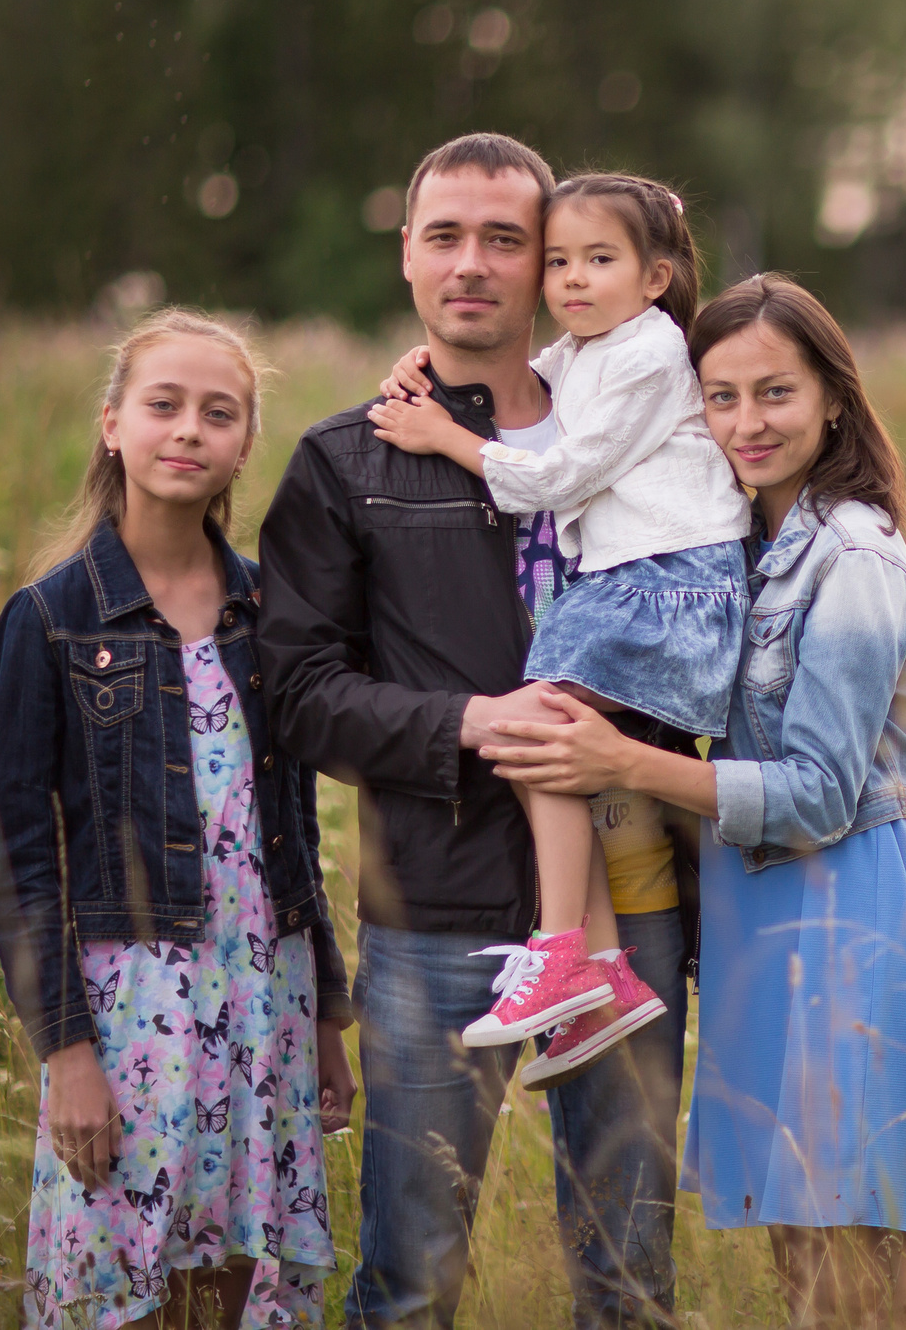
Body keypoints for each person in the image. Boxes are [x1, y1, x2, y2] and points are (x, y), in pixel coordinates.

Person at [255, 134, 693, 1328]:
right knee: (408, 1284)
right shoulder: (350, 462)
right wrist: (468, 721)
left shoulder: (640, 415)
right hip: (433, 914)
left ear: (550, 264)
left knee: (628, 1283)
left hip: (627, 905)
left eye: (507, 240)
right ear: (406, 255)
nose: (474, 265)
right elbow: (295, 694)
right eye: (445, 235)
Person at [482, 273, 906, 1330]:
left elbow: (819, 796)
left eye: (775, 394)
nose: (747, 424)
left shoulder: (852, 561)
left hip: (853, 902)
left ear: (832, 399)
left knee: (873, 1273)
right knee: (803, 1261)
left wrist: (620, 761)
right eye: (721, 396)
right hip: (763, 906)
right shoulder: (738, 549)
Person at [0, 309, 354, 1328]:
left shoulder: (269, 615)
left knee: (236, 1273)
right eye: (163, 405)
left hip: (264, 995)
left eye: (218, 413)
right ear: (113, 425)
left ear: (242, 443)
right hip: (126, 1012)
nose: (188, 429)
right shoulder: (52, 618)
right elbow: (17, 856)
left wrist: (325, 1013)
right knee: (125, 1282)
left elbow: (296, 825)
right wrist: (66, 1058)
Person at [366, 172, 749, 1088]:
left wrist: (446, 440)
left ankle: (561, 944)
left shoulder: (653, 353)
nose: (573, 280)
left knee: (533, 722)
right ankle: (602, 975)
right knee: (543, 728)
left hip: (673, 586)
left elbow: (554, 475)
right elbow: (515, 408)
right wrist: (422, 381)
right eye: (562, 261)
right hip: (636, 585)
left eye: (600, 260)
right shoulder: (585, 352)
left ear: (656, 277)